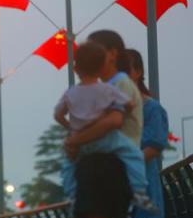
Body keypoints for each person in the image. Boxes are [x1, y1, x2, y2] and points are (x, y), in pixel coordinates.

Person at [65, 31, 142, 218]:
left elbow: (114, 121)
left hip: (102, 169)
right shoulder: (112, 88)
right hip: (110, 169)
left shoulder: (112, 86)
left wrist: (75, 139)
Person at [55, 41, 148, 203]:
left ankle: (72, 197)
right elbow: (129, 104)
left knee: (68, 167)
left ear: (75, 69)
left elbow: (58, 115)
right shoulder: (107, 90)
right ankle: (139, 191)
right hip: (105, 141)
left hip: (82, 145)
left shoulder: (70, 93)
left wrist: (72, 128)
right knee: (133, 155)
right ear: (101, 68)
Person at [127, 49, 169, 218]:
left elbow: (154, 146)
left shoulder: (152, 108)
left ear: (139, 72)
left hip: (141, 184)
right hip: (118, 185)